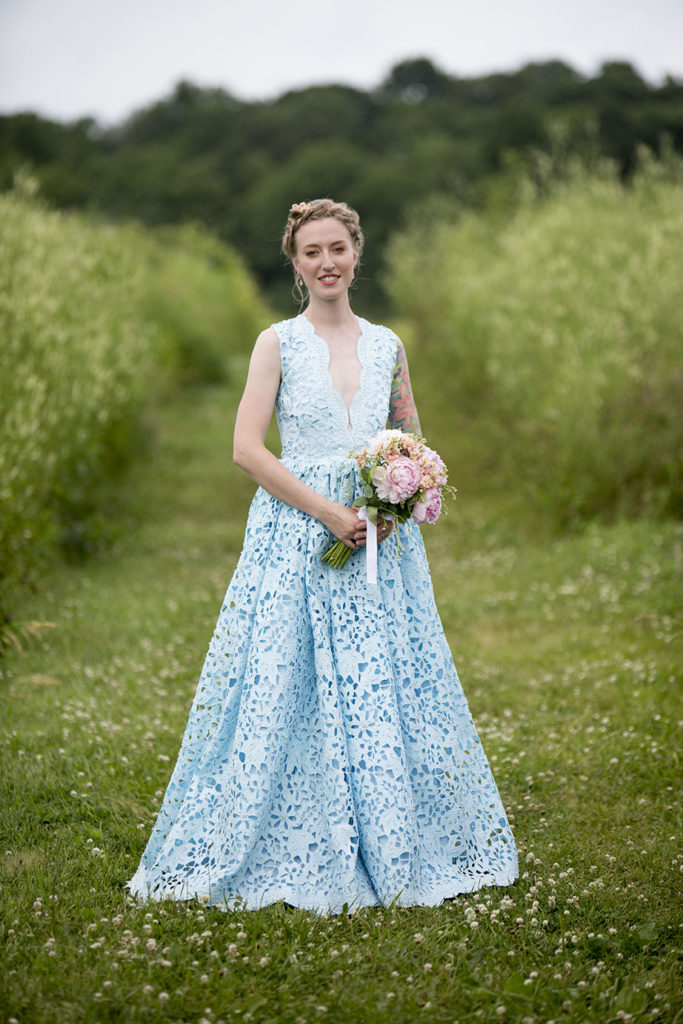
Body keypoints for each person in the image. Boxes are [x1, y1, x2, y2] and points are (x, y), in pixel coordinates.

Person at [127, 198, 518, 914]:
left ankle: (395, 830)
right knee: (285, 673)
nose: (326, 262)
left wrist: (400, 495)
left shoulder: (387, 345)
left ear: (356, 253)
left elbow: (412, 439)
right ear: (295, 262)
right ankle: (288, 830)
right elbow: (246, 449)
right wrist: (328, 512)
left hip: (376, 540)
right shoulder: (276, 342)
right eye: (311, 252)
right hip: (295, 532)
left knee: (380, 674)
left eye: (337, 248)